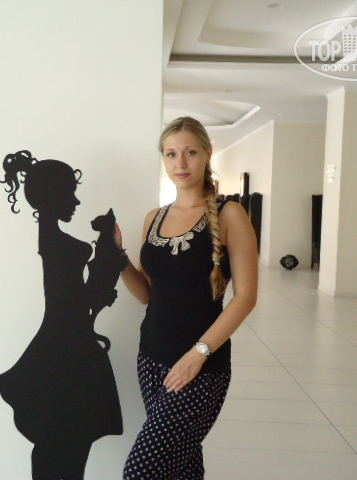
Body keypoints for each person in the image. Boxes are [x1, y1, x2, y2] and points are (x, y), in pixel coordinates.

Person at [116, 117, 259, 479]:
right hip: (150, 359)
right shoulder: (154, 218)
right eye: (171, 154)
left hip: (200, 367)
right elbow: (147, 294)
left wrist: (198, 355)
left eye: (190, 152)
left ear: (207, 153)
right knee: (182, 466)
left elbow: (246, 297)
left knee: (140, 472)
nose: (180, 163)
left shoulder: (230, 214)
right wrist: (118, 258)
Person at [0, 151, 122, 480]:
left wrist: (107, 255)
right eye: (70, 193)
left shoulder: (53, 240)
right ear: (54, 196)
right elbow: (73, 301)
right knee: (66, 441)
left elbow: (76, 300)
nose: (77, 201)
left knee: (61, 442)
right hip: (64, 348)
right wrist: (108, 255)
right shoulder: (54, 242)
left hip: (65, 344)